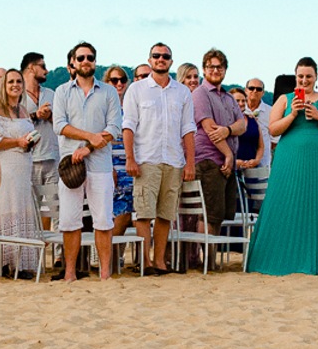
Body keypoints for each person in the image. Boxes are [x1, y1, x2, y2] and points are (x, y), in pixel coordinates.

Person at [245, 57, 318, 276]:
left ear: (316, 77)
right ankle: (282, 256)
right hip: (290, 158)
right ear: (296, 77)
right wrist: (293, 113)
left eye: (308, 76)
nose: (304, 80)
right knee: (286, 201)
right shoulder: (285, 99)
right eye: (300, 76)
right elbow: (273, 130)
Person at [122, 43, 196, 274]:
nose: (160, 59)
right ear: (150, 59)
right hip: (146, 159)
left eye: (165, 56)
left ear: (171, 62)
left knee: (166, 214)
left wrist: (190, 163)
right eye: (156, 56)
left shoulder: (182, 92)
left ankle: (160, 262)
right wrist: (130, 158)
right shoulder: (137, 90)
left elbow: (188, 129)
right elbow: (128, 126)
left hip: (173, 160)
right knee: (144, 214)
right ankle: (145, 262)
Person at [53, 41, 122, 281]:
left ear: (95, 61)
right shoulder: (62, 91)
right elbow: (59, 125)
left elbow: (114, 128)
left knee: (103, 219)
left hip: (100, 165)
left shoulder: (109, 91)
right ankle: (70, 273)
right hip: (70, 166)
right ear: (73, 62)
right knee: (70, 220)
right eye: (81, 58)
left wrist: (88, 148)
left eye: (90, 57)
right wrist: (88, 137)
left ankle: (105, 273)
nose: (85, 61)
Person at [0, 69, 40, 278]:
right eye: (11, 82)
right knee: (8, 209)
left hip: (24, 166)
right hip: (6, 169)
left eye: (18, 81)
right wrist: (17, 142)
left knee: (22, 209)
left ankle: (22, 263)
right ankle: (7, 263)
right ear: (3, 86)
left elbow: (27, 135)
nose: (15, 85)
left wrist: (31, 142)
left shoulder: (24, 111)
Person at [191, 48, 245, 246]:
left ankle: (211, 257)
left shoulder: (229, 98)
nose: (215, 70)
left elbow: (242, 125)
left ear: (225, 70)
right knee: (209, 215)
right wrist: (228, 155)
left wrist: (229, 130)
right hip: (210, 161)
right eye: (211, 66)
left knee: (220, 214)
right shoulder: (200, 94)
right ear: (204, 69)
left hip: (225, 164)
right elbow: (209, 127)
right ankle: (208, 259)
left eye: (219, 67)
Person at [22, 51, 59, 220]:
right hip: (28, 160)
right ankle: (34, 247)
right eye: (43, 66)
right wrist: (36, 115)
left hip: (52, 158)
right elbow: (12, 123)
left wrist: (49, 116)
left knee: (56, 211)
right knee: (30, 212)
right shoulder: (17, 94)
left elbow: (61, 123)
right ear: (31, 68)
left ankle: (60, 247)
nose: (47, 70)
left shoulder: (51, 94)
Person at [102, 65, 135, 243]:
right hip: (112, 166)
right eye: (114, 80)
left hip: (130, 166)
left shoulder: (131, 107)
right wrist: (110, 167)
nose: (119, 83)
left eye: (122, 80)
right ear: (107, 83)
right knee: (119, 213)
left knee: (128, 213)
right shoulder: (104, 109)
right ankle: (110, 256)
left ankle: (118, 257)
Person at [242, 77, 273, 168]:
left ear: (263, 93)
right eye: (251, 88)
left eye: (259, 89)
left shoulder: (270, 112)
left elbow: (274, 141)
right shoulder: (237, 109)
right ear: (246, 90)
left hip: (263, 163)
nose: (255, 91)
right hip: (241, 161)